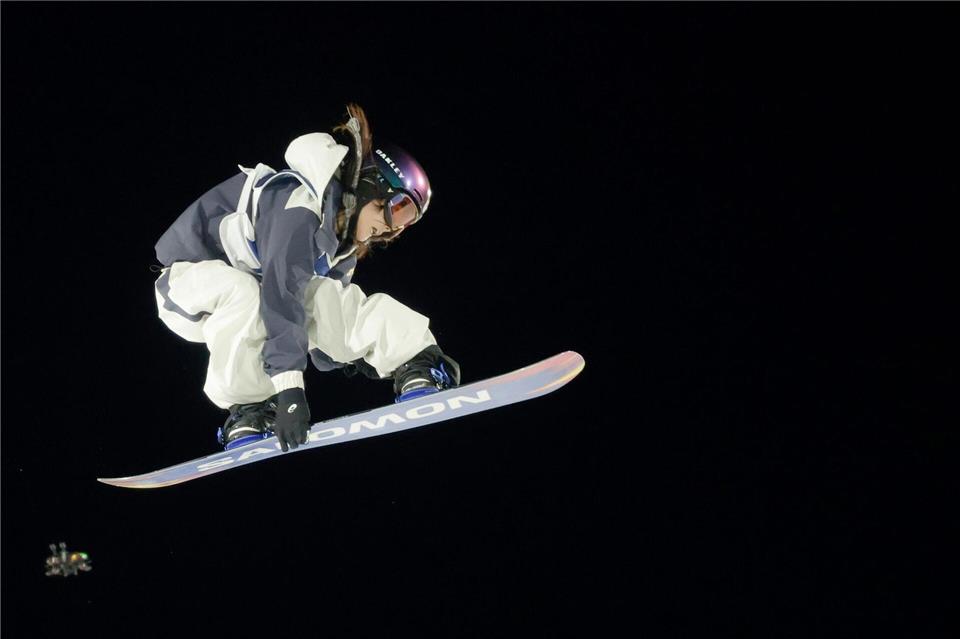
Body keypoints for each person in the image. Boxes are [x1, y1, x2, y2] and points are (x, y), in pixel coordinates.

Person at [153, 104, 460, 453]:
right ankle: (249, 409)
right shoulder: (298, 203)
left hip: (257, 291)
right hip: (185, 282)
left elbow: (320, 317)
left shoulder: (338, 250)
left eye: (406, 223)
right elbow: (281, 294)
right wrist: (289, 391)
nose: (392, 228)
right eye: (397, 208)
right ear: (368, 186)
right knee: (246, 292)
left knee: (321, 293)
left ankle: (416, 360)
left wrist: (357, 355)